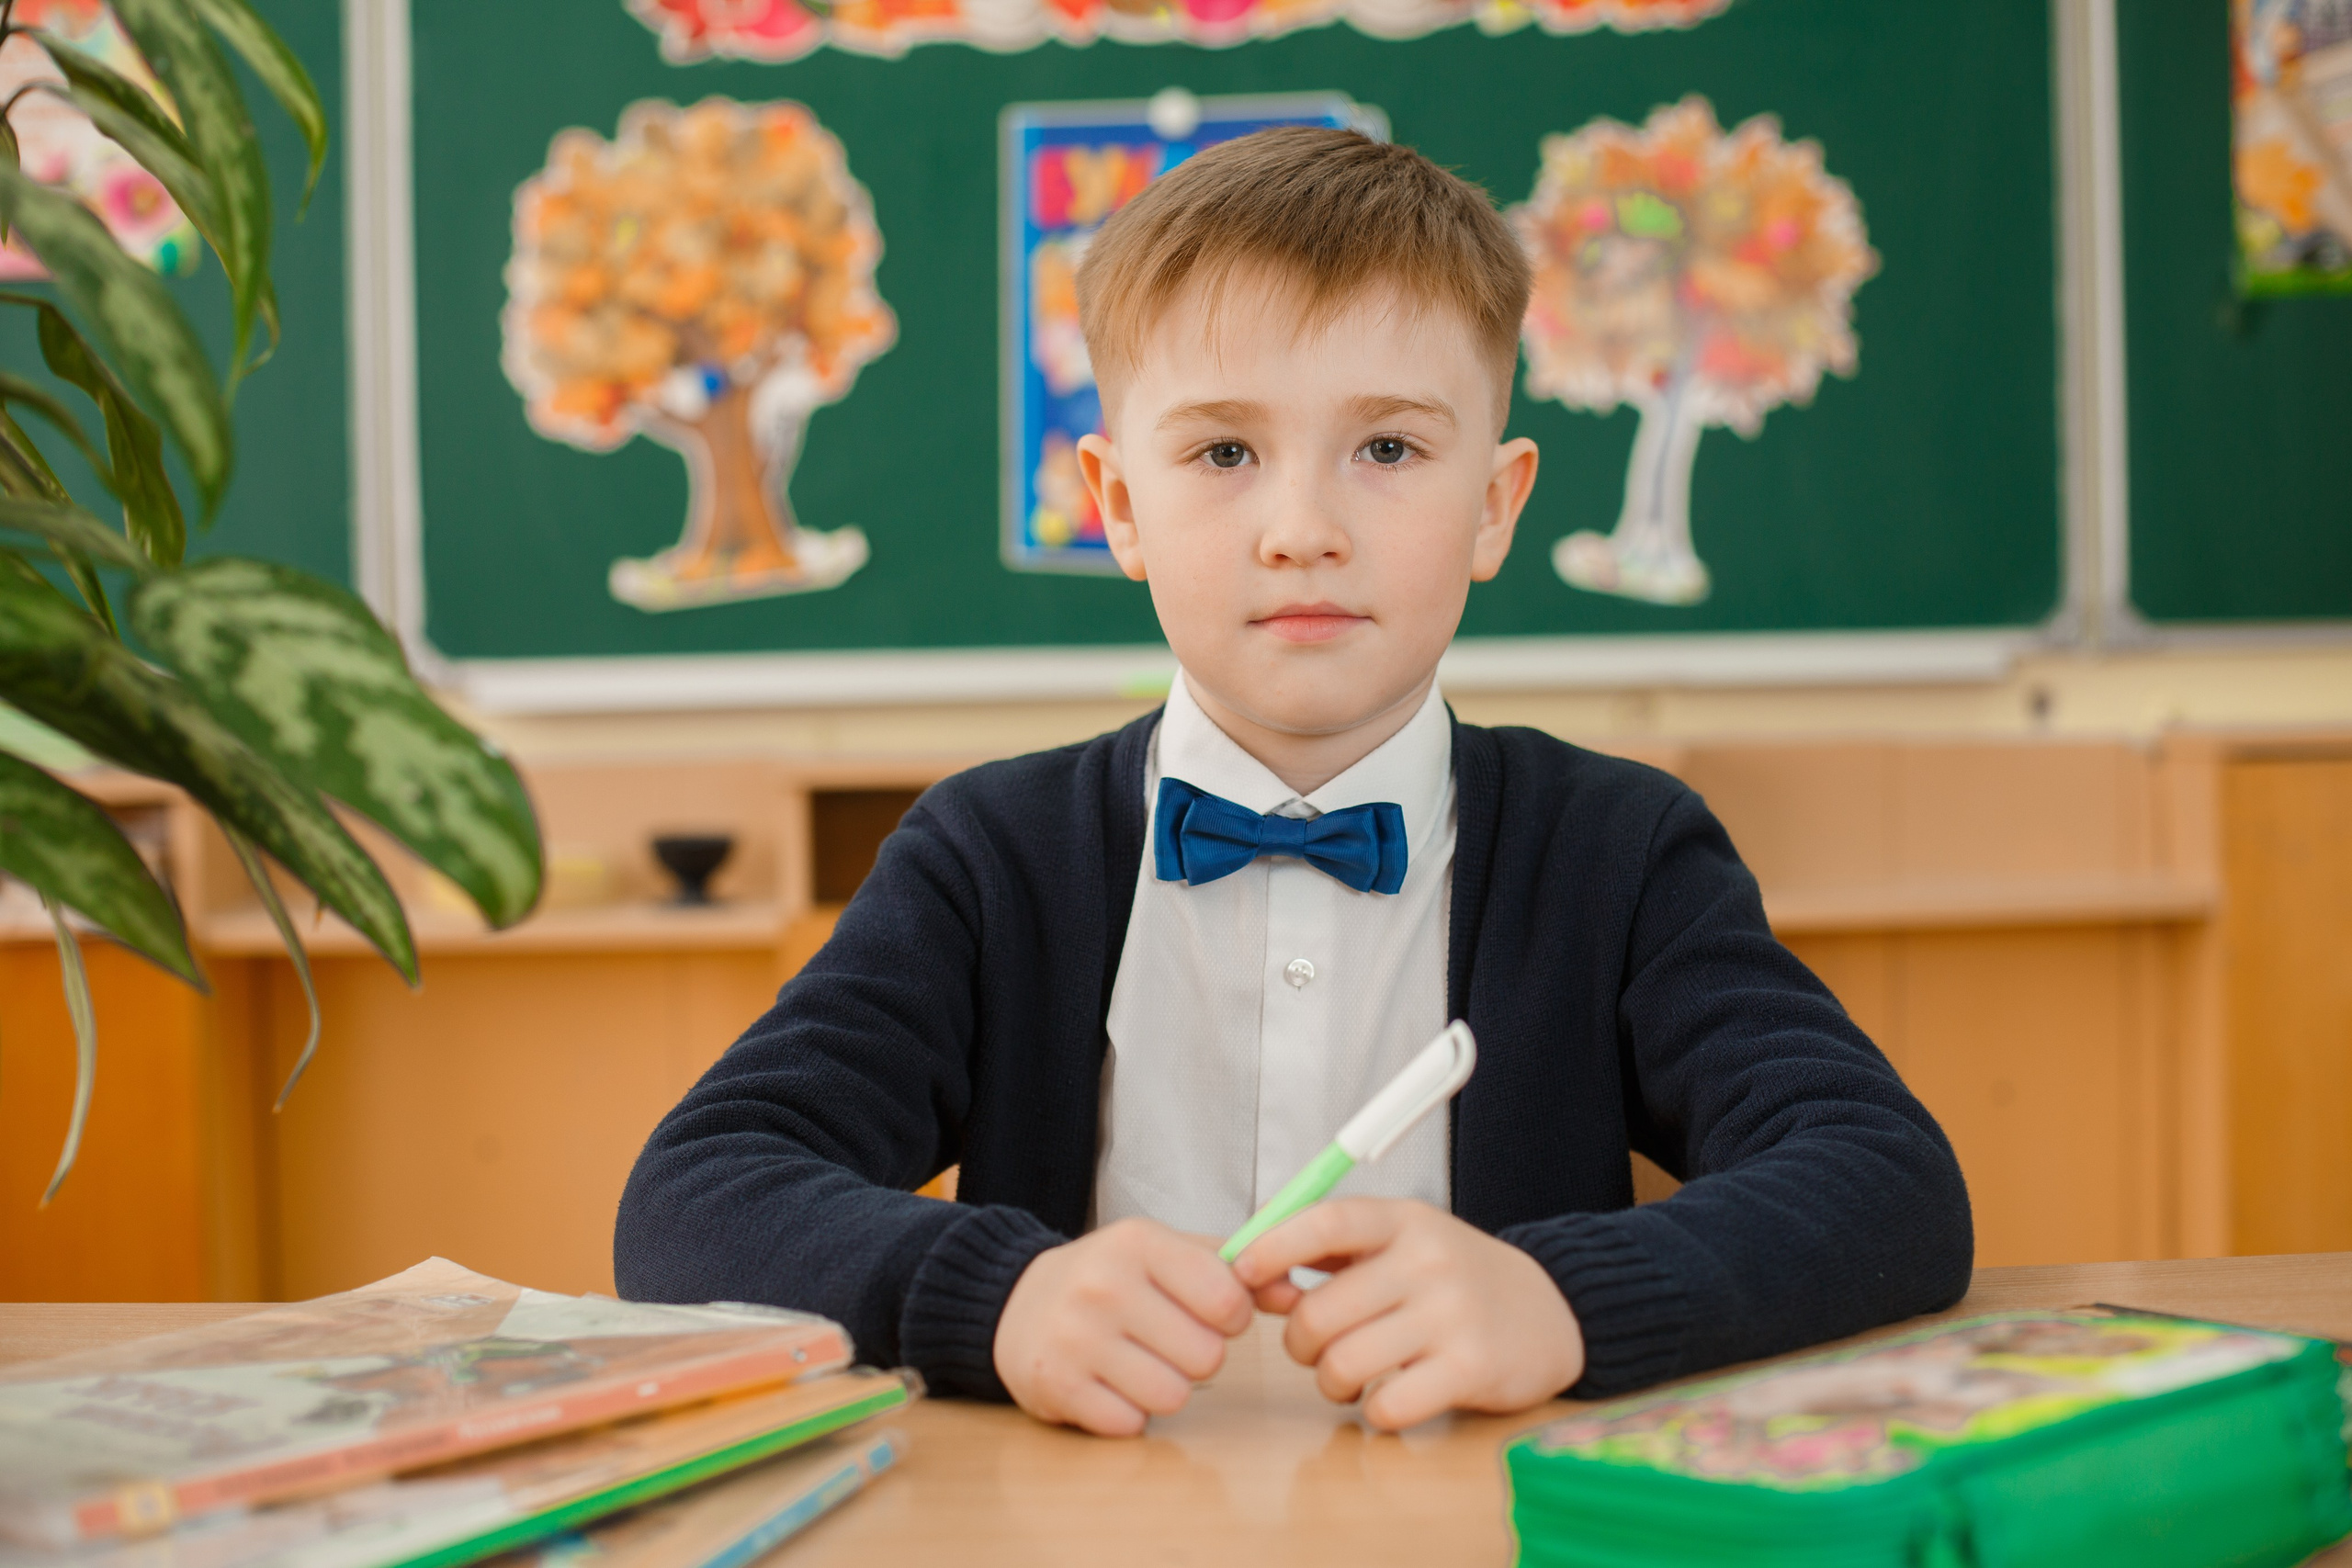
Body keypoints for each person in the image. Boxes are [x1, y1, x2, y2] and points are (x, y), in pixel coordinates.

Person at [614, 127, 1972, 1437]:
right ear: (1120, 505)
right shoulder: (989, 857)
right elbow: (694, 1198)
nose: (1304, 532)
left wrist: (1564, 1300)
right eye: (1223, 453)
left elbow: (1886, 1184)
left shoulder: (1619, 853)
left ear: (1495, 505)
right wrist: (997, 1298)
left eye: (1387, 450)